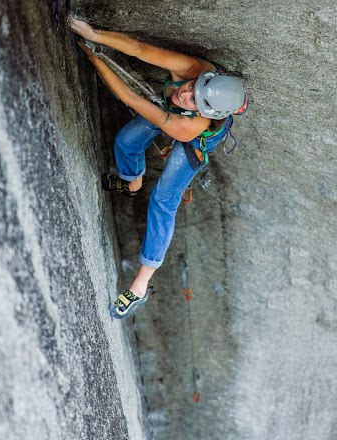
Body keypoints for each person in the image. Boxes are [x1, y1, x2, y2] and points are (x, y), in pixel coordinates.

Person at [70, 16, 247, 320]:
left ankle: (140, 286)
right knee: (127, 141)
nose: (184, 94)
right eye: (192, 87)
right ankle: (131, 183)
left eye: (193, 100)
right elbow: (139, 48)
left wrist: (91, 55)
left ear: (204, 111)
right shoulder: (196, 70)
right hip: (174, 113)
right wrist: (94, 34)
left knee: (163, 201)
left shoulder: (190, 126)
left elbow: (129, 98)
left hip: (192, 142)